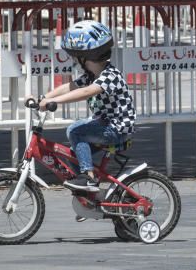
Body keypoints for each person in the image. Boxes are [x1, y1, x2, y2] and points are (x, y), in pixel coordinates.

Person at [31, 20, 135, 194]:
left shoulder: (110, 76)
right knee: (74, 154)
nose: (74, 60)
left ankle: (89, 179)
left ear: (86, 56)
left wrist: (57, 102)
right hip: (105, 125)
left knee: (75, 131)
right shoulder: (91, 74)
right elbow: (71, 86)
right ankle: (87, 197)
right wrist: (44, 97)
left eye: (76, 55)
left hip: (117, 129)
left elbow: (87, 92)